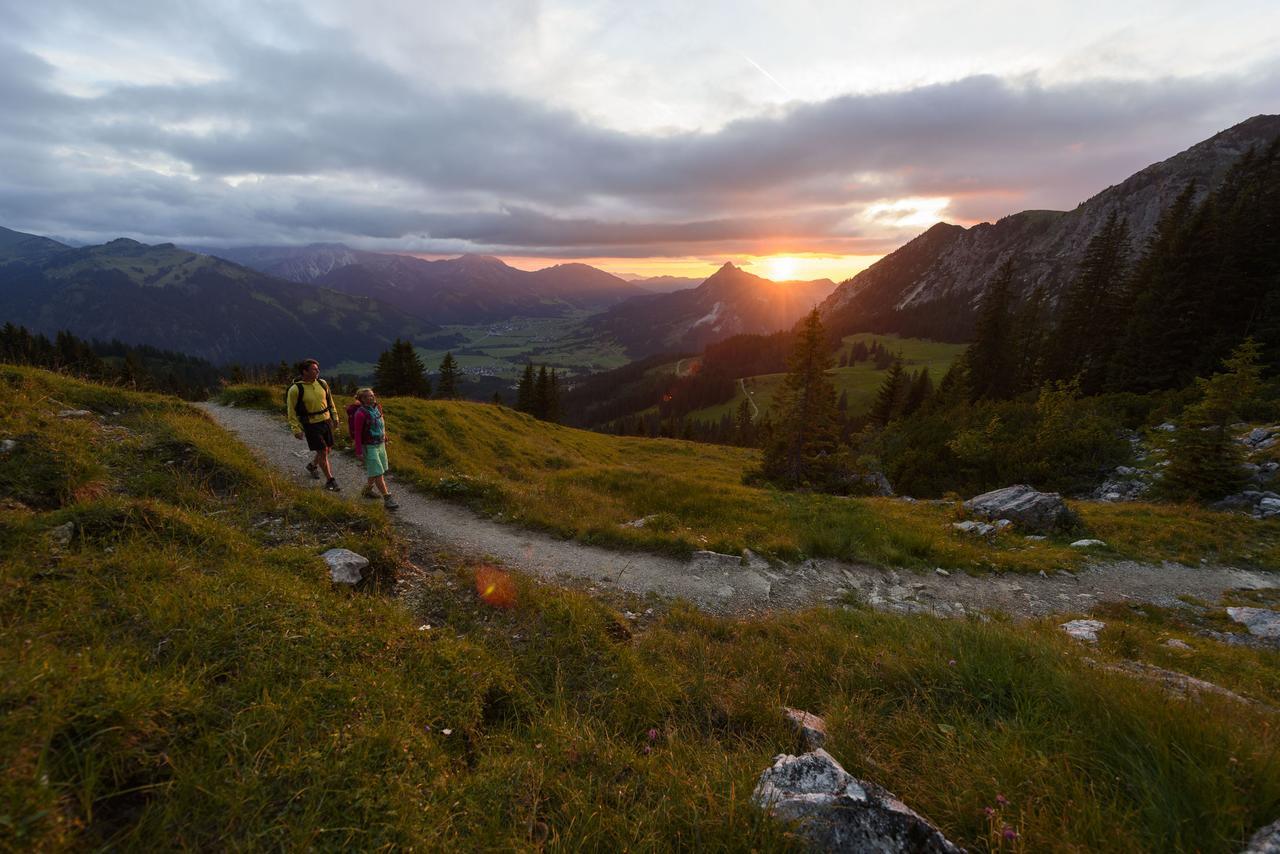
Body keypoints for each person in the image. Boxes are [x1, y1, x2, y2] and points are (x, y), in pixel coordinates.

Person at [286, 358, 341, 491]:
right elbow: (291, 410)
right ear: (305, 372)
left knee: (327, 449)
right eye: (314, 369)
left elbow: (330, 401)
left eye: (318, 369)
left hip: (326, 420)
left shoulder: (322, 383)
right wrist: (296, 428)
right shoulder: (295, 389)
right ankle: (330, 480)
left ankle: (312, 466)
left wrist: (335, 416)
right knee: (322, 451)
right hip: (311, 424)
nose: (318, 371)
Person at [350, 387, 399, 510]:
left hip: (380, 444)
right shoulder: (360, 414)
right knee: (378, 472)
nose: (370, 398)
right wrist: (359, 451)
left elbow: (381, 423)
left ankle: (367, 490)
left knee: (376, 469)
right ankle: (387, 498)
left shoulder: (377, 409)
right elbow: (357, 433)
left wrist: (385, 435)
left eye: (371, 395)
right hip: (369, 446)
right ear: (360, 399)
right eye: (366, 397)